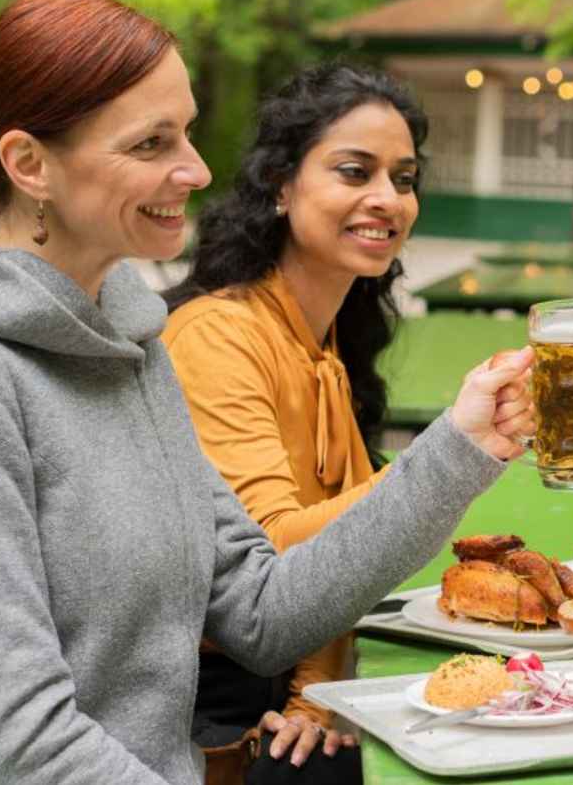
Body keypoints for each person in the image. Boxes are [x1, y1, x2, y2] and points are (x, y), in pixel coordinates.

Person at [0, 0, 534, 785]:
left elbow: (261, 609)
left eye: (184, 132)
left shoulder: (131, 346)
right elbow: (16, 735)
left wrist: (461, 447)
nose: (197, 168)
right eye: (152, 143)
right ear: (28, 164)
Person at [160, 64, 426, 783]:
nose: (386, 199)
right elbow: (274, 559)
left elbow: (331, 575)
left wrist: (320, 698)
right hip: (201, 701)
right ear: (280, 186)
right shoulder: (217, 335)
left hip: (295, 677)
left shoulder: (332, 344)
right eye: (353, 171)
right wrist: (440, 472)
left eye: (403, 178)